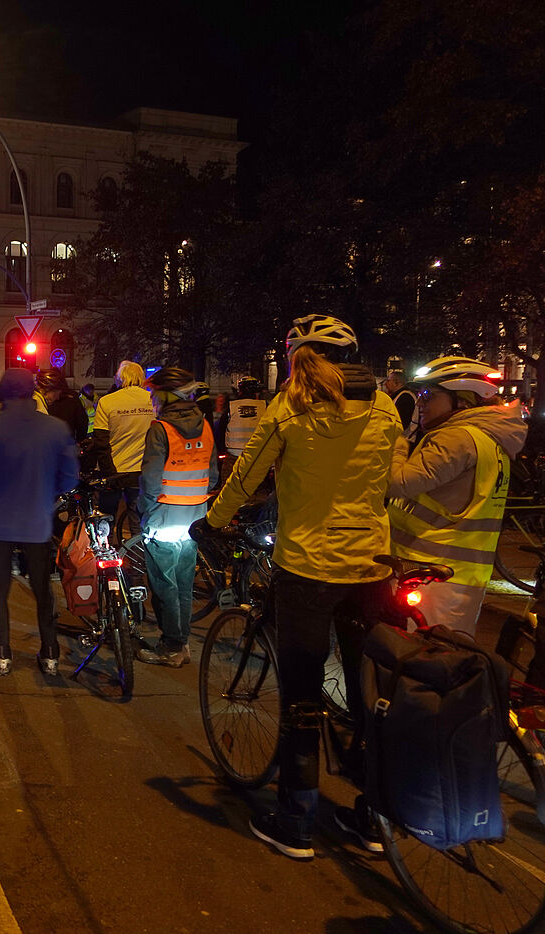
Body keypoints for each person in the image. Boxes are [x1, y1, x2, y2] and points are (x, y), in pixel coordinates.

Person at [202, 313, 400, 862]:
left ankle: (296, 821)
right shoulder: (384, 404)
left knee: (301, 698)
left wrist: (214, 522)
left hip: (309, 567)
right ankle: (375, 818)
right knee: (371, 696)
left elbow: (247, 473)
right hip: (371, 569)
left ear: (297, 358)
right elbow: (394, 474)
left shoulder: (291, 404)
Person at [388, 356, 524, 635]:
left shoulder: (457, 437)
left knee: (415, 658)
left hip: (429, 571)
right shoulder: (489, 438)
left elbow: (397, 482)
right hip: (460, 575)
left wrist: (397, 443)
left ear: (462, 400)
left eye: (428, 395)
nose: (420, 403)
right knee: (445, 656)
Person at [0, 368, 79, 675]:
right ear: (32, 391)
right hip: (37, 520)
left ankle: (2, 652)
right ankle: (50, 652)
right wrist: (47, 494)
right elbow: (69, 477)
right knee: (42, 588)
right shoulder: (54, 428)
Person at [135, 367, 219, 668]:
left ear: (168, 395)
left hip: (164, 516)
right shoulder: (207, 425)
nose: (153, 400)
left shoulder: (161, 429)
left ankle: (170, 646)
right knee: (184, 583)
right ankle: (182, 644)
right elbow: (212, 476)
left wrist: (144, 511)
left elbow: (151, 480)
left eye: (155, 393)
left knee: (163, 585)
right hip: (195, 518)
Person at [90, 360, 156, 525]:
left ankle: (107, 549)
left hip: (114, 470)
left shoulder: (107, 402)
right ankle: (136, 549)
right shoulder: (153, 400)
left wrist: (108, 472)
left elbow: (101, 441)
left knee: (106, 521)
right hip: (141, 471)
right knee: (138, 521)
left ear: (120, 378)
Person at [222, 377, 268, 484]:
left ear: (240, 390)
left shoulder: (231, 407)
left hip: (233, 455)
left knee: (229, 487)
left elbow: (221, 429)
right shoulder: (265, 406)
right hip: (256, 455)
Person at [37, 368, 88, 441]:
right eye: (56, 393)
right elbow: (82, 422)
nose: (57, 397)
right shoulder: (38, 405)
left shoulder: (38, 403)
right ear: (49, 389)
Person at [383, 370, 417, 435]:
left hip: (405, 440)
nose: (385, 384)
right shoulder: (399, 396)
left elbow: (401, 423)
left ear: (397, 383)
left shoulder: (405, 397)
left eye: (388, 381)